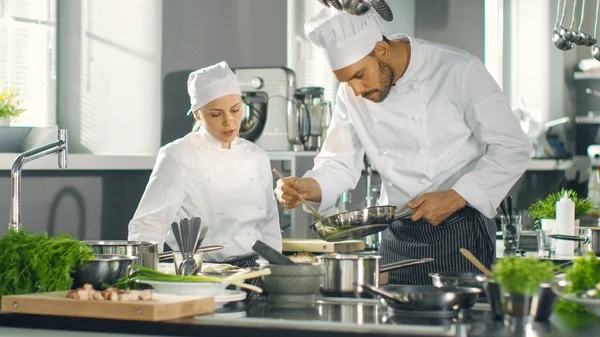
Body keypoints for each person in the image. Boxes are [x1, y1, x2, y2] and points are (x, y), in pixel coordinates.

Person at [275, 8, 533, 285]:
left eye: (360, 75)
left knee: (459, 322)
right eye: (347, 81)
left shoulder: (458, 70)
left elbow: (512, 147)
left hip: (460, 228)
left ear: (382, 49)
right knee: (391, 321)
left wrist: (456, 196)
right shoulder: (350, 94)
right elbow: (339, 160)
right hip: (396, 232)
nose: (356, 90)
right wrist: (309, 186)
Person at [128, 61, 282, 267]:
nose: (229, 121)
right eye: (216, 114)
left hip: (256, 271)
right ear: (197, 114)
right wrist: (142, 275)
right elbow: (149, 224)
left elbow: (269, 226)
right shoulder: (178, 155)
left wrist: (277, 273)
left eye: (235, 110)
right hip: (202, 271)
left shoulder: (257, 157)